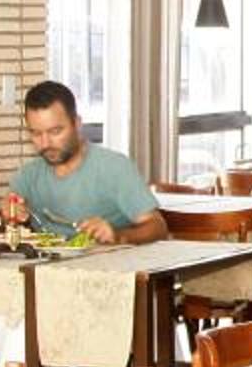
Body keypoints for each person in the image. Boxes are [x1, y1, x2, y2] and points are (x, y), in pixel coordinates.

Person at [13, 80, 166, 244]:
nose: (45, 144)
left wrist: (117, 235)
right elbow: (12, 226)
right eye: (36, 134)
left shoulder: (114, 168)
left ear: (77, 123)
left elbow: (158, 227)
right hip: (47, 260)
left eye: (55, 131)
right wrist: (9, 217)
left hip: (105, 258)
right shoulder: (28, 175)